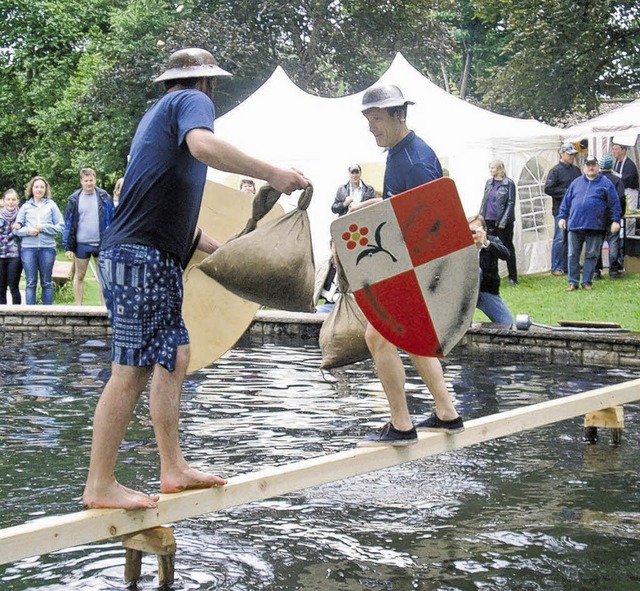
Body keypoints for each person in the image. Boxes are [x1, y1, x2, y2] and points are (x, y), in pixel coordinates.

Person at [82, 47, 308, 510]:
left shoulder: (157, 115)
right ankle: (101, 484)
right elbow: (204, 146)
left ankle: (173, 468)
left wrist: (220, 252)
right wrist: (272, 173)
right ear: (208, 83)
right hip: (140, 255)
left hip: (146, 252)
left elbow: (163, 208)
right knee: (131, 369)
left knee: (174, 355)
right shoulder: (191, 102)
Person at [350, 84, 463, 447]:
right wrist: (372, 207)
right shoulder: (401, 153)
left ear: (400, 115)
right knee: (411, 339)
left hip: (420, 267)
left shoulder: (413, 161)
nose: (371, 127)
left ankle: (400, 423)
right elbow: (403, 204)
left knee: (377, 336)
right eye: (368, 119)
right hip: (413, 266)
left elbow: (429, 223)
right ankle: (447, 412)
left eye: (377, 119)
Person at [558, 155, 621, 291]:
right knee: (572, 254)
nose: (591, 168)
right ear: (584, 167)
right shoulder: (576, 183)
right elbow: (566, 202)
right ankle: (573, 282)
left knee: (592, 255)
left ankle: (587, 282)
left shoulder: (606, 184)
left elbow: (615, 204)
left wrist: (616, 221)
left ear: (598, 167)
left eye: (593, 165)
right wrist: (562, 217)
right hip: (575, 224)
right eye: (588, 165)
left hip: (595, 226)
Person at [63, 168, 115, 305]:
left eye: (91, 180)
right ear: (81, 181)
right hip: (81, 244)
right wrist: (68, 247)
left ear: (95, 180)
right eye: (86, 181)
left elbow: (112, 220)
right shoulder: (73, 199)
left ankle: (103, 308)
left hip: (102, 243)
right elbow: (68, 224)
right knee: (79, 275)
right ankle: (78, 306)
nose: (89, 183)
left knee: (103, 277)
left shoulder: (104, 197)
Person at [14, 176, 65, 305]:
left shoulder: (51, 205)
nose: (39, 189)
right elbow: (16, 229)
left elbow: (61, 227)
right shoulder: (25, 207)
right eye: (36, 187)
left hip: (47, 248)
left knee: (46, 282)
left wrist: (44, 228)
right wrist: (28, 231)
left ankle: (47, 313)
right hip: (28, 249)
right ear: (31, 189)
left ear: (46, 189)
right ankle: (30, 313)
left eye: (42, 187)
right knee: (31, 282)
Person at [468, 214, 514, 325]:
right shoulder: (463, 245)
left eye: (476, 231)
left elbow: (506, 254)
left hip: (487, 292)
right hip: (467, 295)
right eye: (470, 232)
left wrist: (487, 243)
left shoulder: (491, 242)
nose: (474, 235)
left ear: (485, 230)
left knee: (508, 324)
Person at [479, 160, 518, 285]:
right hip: (488, 220)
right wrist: (480, 217)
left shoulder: (508, 184)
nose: (491, 170)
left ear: (500, 169)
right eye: (490, 168)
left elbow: (511, 203)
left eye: (493, 168)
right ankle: (491, 275)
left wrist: (504, 221)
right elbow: (484, 201)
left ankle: (513, 277)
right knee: (490, 248)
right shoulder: (489, 183)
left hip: (502, 222)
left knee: (507, 248)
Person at [544, 143, 581, 275]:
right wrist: (567, 192)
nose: (572, 157)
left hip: (575, 210)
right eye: (570, 154)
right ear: (562, 154)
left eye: (573, 155)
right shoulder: (555, 171)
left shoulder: (576, 170)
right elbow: (548, 189)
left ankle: (568, 265)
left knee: (572, 237)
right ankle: (556, 266)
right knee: (560, 238)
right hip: (560, 210)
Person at [595, 154, 625, 278]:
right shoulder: (617, 179)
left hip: (598, 216)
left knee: (597, 243)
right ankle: (613, 270)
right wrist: (619, 215)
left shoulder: (595, 180)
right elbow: (621, 198)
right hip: (613, 215)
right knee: (613, 241)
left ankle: (596, 271)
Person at [0, 189, 23, 305]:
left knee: (13, 286)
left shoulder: (22, 215)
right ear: (3, 201)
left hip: (15, 255)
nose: (10, 202)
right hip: (0, 255)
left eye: (13, 199)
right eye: (8, 199)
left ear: (17, 201)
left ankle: (18, 316)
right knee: (1, 287)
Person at [612, 142, 639, 235]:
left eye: (616, 149)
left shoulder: (629, 165)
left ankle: (629, 239)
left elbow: (625, 181)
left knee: (630, 218)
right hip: (622, 194)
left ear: (623, 150)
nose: (614, 151)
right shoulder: (617, 163)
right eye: (613, 149)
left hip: (630, 193)